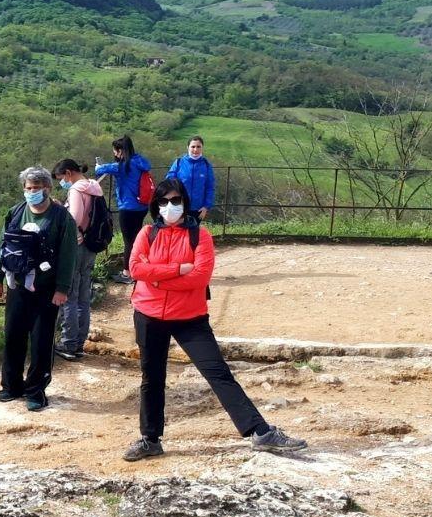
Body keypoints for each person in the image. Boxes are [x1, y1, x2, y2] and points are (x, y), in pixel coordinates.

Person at [124, 179, 307, 461]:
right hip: (149, 315)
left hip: (189, 317)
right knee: (152, 377)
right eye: (163, 201)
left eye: (175, 200)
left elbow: (199, 277)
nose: (170, 206)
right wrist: (176, 270)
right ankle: (150, 439)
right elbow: (135, 267)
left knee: (218, 373)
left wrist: (158, 279)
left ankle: (260, 432)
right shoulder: (147, 233)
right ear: (155, 205)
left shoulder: (201, 236)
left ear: (185, 202)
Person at [0, 166, 77, 412]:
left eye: (36, 188)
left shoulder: (61, 218)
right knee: (13, 336)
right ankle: (11, 385)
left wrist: (62, 288)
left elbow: (68, 255)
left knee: (41, 341)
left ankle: (36, 390)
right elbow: (2, 244)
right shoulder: (16, 212)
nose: (31, 193)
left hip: (47, 289)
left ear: (47, 189)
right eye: (28, 188)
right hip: (17, 285)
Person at [51, 159, 104, 361]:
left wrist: (60, 210)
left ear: (68, 173)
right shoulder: (94, 186)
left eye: (61, 178)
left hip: (78, 245)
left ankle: (69, 343)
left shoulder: (76, 190)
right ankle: (80, 343)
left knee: (69, 297)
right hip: (92, 246)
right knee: (83, 297)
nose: (62, 182)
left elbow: (74, 219)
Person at [95, 135, 151, 285]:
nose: (114, 154)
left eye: (115, 151)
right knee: (137, 239)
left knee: (129, 241)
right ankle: (138, 268)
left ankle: (127, 273)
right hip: (142, 206)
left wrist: (98, 166)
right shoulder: (140, 161)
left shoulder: (123, 166)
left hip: (128, 207)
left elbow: (101, 169)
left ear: (120, 151)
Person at [166, 135, 215, 223]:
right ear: (187, 147)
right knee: (179, 234)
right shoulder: (178, 162)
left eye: (198, 147)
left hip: (198, 209)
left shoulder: (206, 165)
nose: (195, 150)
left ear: (202, 148)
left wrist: (206, 207)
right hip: (179, 207)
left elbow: (210, 188)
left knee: (193, 234)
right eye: (193, 146)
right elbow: (169, 183)